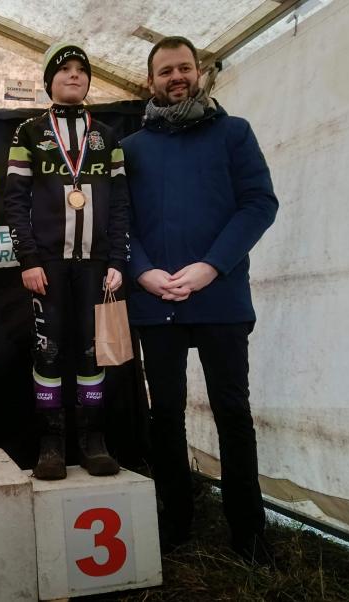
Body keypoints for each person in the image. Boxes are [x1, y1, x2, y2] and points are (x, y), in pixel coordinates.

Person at [122, 36, 279, 563]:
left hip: (221, 300)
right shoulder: (131, 149)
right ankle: (175, 522)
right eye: (165, 71)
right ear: (150, 81)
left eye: (184, 68)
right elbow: (119, 221)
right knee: (165, 414)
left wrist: (212, 266)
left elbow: (259, 203)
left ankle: (249, 533)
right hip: (156, 303)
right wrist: (143, 272)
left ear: (200, 72)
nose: (176, 77)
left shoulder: (234, 133)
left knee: (232, 412)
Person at [4, 42, 129, 480]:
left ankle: (93, 440)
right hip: (48, 265)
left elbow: (120, 202)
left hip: (97, 264)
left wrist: (118, 258)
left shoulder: (107, 136)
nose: (74, 75)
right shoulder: (29, 132)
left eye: (81, 69)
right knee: (49, 351)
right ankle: (51, 444)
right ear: (49, 81)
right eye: (64, 70)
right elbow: (14, 201)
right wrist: (28, 259)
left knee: (93, 352)